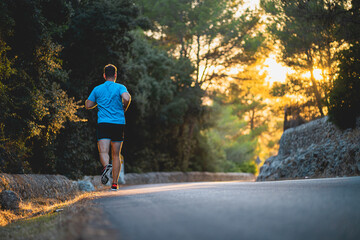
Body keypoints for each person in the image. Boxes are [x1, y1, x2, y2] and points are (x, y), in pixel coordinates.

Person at [85, 64, 131, 190]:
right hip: (118, 123)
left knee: (103, 151)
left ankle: (106, 167)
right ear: (115, 75)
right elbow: (126, 97)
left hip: (104, 123)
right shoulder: (120, 87)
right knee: (116, 154)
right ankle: (114, 184)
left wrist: (99, 102)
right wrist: (124, 107)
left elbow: (88, 105)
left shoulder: (97, 89)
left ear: (104, 75)